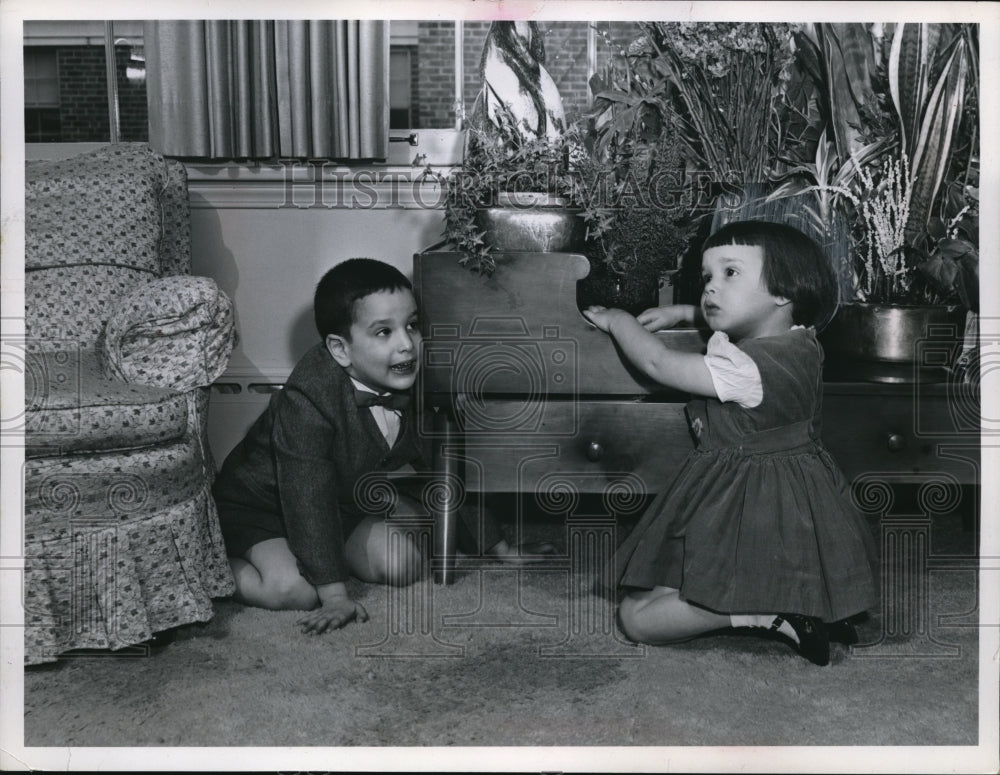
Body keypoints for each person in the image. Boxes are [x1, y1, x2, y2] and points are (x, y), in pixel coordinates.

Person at [582, 220, 878, 666]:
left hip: (743, 507)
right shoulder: (801, 344)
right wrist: (684, 313)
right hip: (793, 506)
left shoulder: (742, 367)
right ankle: (800, 602)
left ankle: (759, 612)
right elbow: (748, 319)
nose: (711, 288)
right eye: (708, 277)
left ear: (783, 290)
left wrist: (620, 320)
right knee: (657, 589)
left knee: (634, 618)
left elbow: (657, 362)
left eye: (730, 273)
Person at [213, 258, 538, 636]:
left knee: (403, 564)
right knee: (296, 592)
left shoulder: (413, 377)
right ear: (340, 349)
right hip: (259, 509)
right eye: (383, 332)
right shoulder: (308, 399)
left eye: (412, 326)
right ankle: (209, 567)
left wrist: (499, 548)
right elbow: (307, 494)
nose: (406, 345)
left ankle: (318, 556)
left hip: (341, 505)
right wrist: (334, 594)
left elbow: (445, 469)